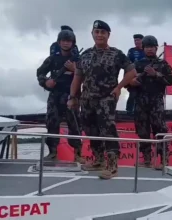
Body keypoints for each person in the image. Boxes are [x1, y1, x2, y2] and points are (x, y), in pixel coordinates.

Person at [67, 20, 137, 179]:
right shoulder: (84, 55)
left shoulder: (116, 54)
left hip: (106, 99)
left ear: (108, 35)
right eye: (96, 32)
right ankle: (98, 160)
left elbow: (131, 73)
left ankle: (112, 166)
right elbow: (77, 77)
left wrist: (119, 87)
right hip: (86, 100)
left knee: (108, 131)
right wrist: (73, 97)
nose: (99, 35)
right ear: (92, 34)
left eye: (102, 32)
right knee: (91, 130)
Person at [36, 29, 84, 164]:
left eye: (68, 41)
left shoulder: (78, 60)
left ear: (73, 43)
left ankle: (78, 153)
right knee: (51, 123)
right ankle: (52, 152)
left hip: (72, 96)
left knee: (75, 124)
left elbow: (87, 76)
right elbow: (39, 73)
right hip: (55, 96)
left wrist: (75, 69)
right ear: (59, 42)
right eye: (63, 40)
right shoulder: (52, 59)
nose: (65, 43)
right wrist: (46, 82)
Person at [129, 35, 172, 169]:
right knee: (142, 131)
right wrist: (132, 82)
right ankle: (147, 159)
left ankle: (163, 160)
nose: (150, 49)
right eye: (147, 47)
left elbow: (171, 81)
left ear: (156, 48)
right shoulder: (136, 65)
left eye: (152, 47)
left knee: (160, 130)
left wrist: (156, 74)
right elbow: (128, 81)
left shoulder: (163, 64)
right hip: (141, 102)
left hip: (156, 102)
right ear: (143, 48)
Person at [125, 34, 145, 114]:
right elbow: (127, 64)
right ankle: (129, 111)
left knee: (143, 95)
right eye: (135, 40)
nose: (136, 42)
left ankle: (141, 111)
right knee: (133, 94)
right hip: (133, 76)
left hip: (144, 76)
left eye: (138, 40)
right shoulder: (131, 51)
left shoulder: (146, 50)